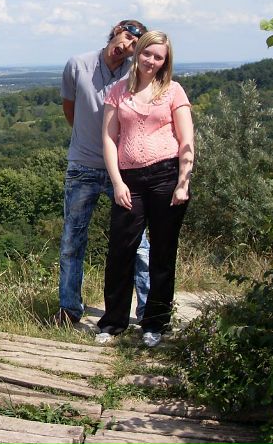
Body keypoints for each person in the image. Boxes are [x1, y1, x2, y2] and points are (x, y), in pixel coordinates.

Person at [96, 30, 194, 347]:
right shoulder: (117, 92)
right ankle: (113, 323)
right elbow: (109, 139)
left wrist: (183, 183)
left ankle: (155, 324)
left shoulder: (174, 91)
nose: (151, 61)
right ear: (137, 53)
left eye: (158, 57)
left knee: (163, 254)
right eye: (147, 53)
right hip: (129, 181)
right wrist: (117, 182)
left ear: (166, 62)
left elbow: (186, 141)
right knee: (120, 252)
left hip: (166, 177)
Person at [55, 19, 151, 328]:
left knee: (138, 242)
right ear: (115, 32)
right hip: (82, 165)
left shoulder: (133, 75)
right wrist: (87, 140)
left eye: (135, 46)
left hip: (121, 169)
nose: (127, 46)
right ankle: (69, 309)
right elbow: (70, 110)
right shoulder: (77, 65)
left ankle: (149, 309)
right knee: (72, 240)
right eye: (126, 37)